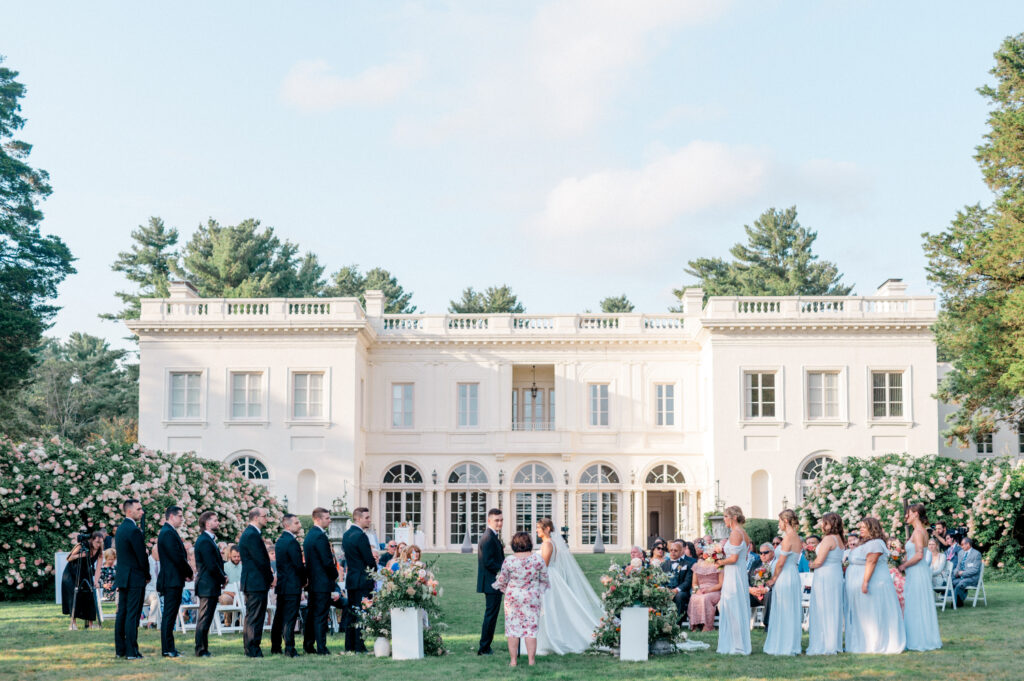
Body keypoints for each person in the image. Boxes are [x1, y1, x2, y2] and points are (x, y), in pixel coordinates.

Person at [534, 517, 603, 655]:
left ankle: (549, 640)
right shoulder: (547, 543)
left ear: (547, 529)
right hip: (549, 576)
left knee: (547, 609)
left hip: (548, 577)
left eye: (538, 527)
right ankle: (544, 640)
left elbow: (544, 565)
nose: (536, 530)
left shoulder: (547, 544)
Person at [845, 516, 905, 654]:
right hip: (863, 581)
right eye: (860, 527)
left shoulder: (876, 543)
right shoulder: (865, 543)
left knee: (873, 612)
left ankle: (876, 643)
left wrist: (864, 582)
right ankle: (865, 641)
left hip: (875, 582)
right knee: (865, 613)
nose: (860, 529)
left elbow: (871, 562)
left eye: (863, 527)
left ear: (872, 529)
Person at [493, 531, 550, 667]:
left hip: (513, 598)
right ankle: (531, 661)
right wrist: (537, 589)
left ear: (514, 544)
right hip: (531, 598)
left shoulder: (509, 560)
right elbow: (544, 578)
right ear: (529, 543)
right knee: (530, 630)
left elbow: (502, 580)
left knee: (513, 630)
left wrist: (506, 589)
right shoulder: (537, 559)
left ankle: (513, 661)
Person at [899, 503, 942, 651]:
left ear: (915, 514)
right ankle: (919, 637)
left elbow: (919, 555)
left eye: (908, 513)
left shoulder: (918, 532)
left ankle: (918, 640)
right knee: (915, 603)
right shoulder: (919, 531)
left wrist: (903, 565)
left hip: (917, 571)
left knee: (916, 604)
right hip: (917, 571)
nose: (906, 516)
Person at [114, 498, 150, 660]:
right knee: (132, 614)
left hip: (123, 576)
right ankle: (131, 651)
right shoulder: (134, 530)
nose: (142, 512)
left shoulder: (120, 529)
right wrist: (147, 574)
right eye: (139, 509)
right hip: (135, 577)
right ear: (129, 511)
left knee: (122, 613)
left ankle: (120, 649)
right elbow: (141, 556)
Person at [763, 509, 803, 655]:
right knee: (787, 609)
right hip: (791, 574)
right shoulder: (796, 537)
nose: (778, 523)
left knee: (785, 608)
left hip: (785, 576)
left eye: (780, 520)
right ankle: (789, 643)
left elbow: (780, 562)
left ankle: (785, 645)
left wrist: (773, 578)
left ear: (785, 521)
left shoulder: (788, 538)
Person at [156, 505, 193, 657]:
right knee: (169, 615)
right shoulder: (168, 533)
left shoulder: (169, 532)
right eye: (180, 516)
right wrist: (189, 572)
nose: (182, 519)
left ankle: (170, 647)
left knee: (170, 615)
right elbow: (177, 557)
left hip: (174, 579)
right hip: (171, 580)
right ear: (172, 516)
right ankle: (167, 649)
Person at [806, 512, 845, 655]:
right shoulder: (840, 539)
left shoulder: (829, 539)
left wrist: (811, 564)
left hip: (825, 575)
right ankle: (833, 642)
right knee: (832, 607)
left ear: (830, 524)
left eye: (824, 522)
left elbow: (820, 561)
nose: (822, 525)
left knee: (824, 607)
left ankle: (824, 643)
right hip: (835, 574)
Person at [715, 505, 752, 655]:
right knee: (731, 605)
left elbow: (734, 558)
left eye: (725, 516)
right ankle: (735, 641)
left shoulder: (736, 533)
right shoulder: (743, 533)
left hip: (734, 574)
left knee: (732, 606)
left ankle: (737, 645)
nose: (724, 519)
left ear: (734, 517)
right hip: (737, 572)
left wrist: (719, 562)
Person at [239, 507, 274, 657]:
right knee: (255, 617)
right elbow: (261, 561)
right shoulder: (252, 535)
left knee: (253, 616)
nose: (267, 519)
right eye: (265, 516)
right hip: (255, 582)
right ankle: (253, 649)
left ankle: (251, 648)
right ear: (255, 518)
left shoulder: (252, 533)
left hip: (254, 581)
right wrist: (271, 578)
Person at [270, 513, 306, 657]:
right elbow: (298, 565)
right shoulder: (292, 542)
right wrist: (304, 580)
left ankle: (275, 646)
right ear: (287, 525)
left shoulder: (280, 541)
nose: (299, 525)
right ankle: (290, 648)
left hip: (283, 584)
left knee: (279, 617)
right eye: (296, 523)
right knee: (289, 617)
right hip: (292, 585)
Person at [304, 507, 338, 655]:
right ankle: (321, 648)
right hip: (321, 582)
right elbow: (326, 561)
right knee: (320, 616)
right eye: (327, 518)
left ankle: (309, 645)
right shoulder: (319, 536)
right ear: (318, 519)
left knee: (313, 615)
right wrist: (335, 574)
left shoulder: (310, 535)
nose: (329, 520)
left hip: (313, 582)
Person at [341, 506, 375, 653]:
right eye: (366, 517)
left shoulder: (346, 534)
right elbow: (368, 559)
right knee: (361, 613)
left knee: (351, 614)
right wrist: (374, 569)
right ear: (358, 518)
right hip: (362, 579)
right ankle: (359, 646)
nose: (369, 520)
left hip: (352, 579)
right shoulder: (361, 536)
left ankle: (349, 645)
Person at [193, 511, 227, 657]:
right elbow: (211, 565)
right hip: (207, 584)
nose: (217, 522)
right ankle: (200, 649)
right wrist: (223, 578)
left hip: (210, 584)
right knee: (204, 618)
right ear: (207, 524)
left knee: (206, 618)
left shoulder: (209, 540)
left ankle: (203, 647)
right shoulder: (205, 541)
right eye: (215, 520)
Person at [476, 508, 505, 656]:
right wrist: (505, 569)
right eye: (496, 520)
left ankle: (486, 646)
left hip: (493, 582)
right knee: (490, 615)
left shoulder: (493, 536)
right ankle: (484, 648)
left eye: (501, 520)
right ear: (489, 521)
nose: (499, 523)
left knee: (492, 615)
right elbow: (488, 562)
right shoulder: (488, 537)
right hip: (491, 582)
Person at [62, 531, 103, 629]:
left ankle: (90, 624)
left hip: (85, 573)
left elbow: (98, 568)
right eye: (97, 542)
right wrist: (82, 555)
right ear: (92, 540)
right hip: (72, 573)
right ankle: (73, 624)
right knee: (74, 596)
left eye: (101, 542)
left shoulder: (100, 550)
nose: (99, 544)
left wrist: (96, 581)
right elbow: (68, 558)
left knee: (90, 595)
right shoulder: (82, 545)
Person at [662, 540, 695, 625]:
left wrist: (676, 590)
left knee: (679, 596)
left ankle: (677, 623)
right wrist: (664, 590)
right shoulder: (664, 564)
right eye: (671, 550)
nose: (673, 552)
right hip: (667, 590)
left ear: (681, 552)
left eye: (675, 550)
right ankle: (662, 622)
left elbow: (687, 582)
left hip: (681, 591)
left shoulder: (687, 564)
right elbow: (661, 580)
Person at [688, 550, 723, 632]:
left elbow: (721, 584)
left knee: (705, 598)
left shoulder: (719, 565)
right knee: (693, 598)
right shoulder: (697, 565)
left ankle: (707, 626)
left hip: (715, 590)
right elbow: (694, 583)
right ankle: (695, 625)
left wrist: (709, 590)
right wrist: (697, 590)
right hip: (700, 590)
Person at [951, 536, 982, 607]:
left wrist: (963, 573)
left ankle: (956, 603)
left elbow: (975, 570)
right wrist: (956, 572)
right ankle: (957, 600)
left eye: (962, 544)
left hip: (972, 578)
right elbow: (958, 566)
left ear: (968, 544)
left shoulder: (976, 554)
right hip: (960, 577)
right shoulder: (960, 553)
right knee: (952, 581)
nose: (961, 546)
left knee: (961, 583)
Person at [749, 543, 774, 627]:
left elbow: (776, 581)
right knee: (738, 594)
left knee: (769, 595)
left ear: (772, 552)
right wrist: (751, 589)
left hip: (768, 593)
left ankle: (768, 625)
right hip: (754, 593)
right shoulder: (756, 563)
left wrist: (766, 589)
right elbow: (748, 579)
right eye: (761, 553)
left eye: (766, 552)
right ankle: (736, 623)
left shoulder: (776, 564)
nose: (763, 555)